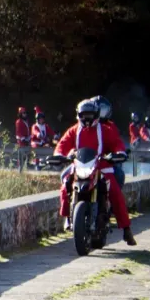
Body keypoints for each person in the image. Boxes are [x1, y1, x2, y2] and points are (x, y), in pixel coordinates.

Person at [54, 98, 134, 244]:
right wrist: (59, 155)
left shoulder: (105, 130)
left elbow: (117, 144)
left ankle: (126, 229)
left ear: (96, 115)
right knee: (65, 183)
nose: (87, 119)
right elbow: (62, 144)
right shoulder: (74, 130)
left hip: (102, 165)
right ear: (79, 115)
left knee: (115, 191)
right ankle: (66, 216)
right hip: (79, 165)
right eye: (84, 116)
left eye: (90, 115)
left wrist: (119, 153)